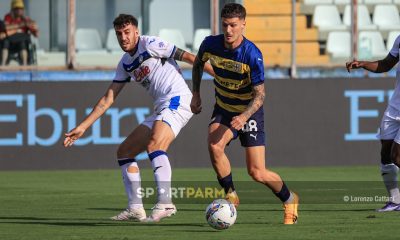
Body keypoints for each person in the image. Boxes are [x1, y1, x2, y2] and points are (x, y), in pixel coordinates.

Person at [64, 14, 213, 222]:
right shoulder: (125, 63)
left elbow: (189, 57)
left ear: (136, 31)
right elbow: (108, 98)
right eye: (118, 34)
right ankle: (135, 208)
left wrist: (219, 78)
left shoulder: (150, 44)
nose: (123, 38)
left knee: (155, 145)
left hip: (178, 99)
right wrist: (83, 126)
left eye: (127, 32)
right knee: (125, 151)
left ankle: (166, 202)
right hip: (162, 106)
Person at [190, 3, 299, 224]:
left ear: (243, 25)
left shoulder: (252, 55)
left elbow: (260, 96)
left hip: (249, 112)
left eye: (233, 25)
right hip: (223, 107)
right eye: (224, 25)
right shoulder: (210, 44)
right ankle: (230, 192)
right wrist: (196, 93)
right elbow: (197, 65)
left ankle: (290, 199)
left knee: (257, 172)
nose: (228, 30)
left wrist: (243, 116)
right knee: (214, 145)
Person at [346, 37, 400, 212]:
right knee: (386, 152)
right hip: (395, 107)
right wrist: (363, 64)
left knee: (397, 155)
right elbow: (386, 64)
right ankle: (395, 201)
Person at [2, 0, 39, 65]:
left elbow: (36, 34)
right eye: (17, 9)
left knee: (23, 43)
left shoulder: (26, 19)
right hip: (10, 43)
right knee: (5, 42)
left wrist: (34, 28)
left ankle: (24, 65)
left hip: (21, 43)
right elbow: (6, 27)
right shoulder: (8, 17)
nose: (19, 11)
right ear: (12, 10)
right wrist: (21, 25)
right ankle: (3, 64)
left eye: (21, 9)